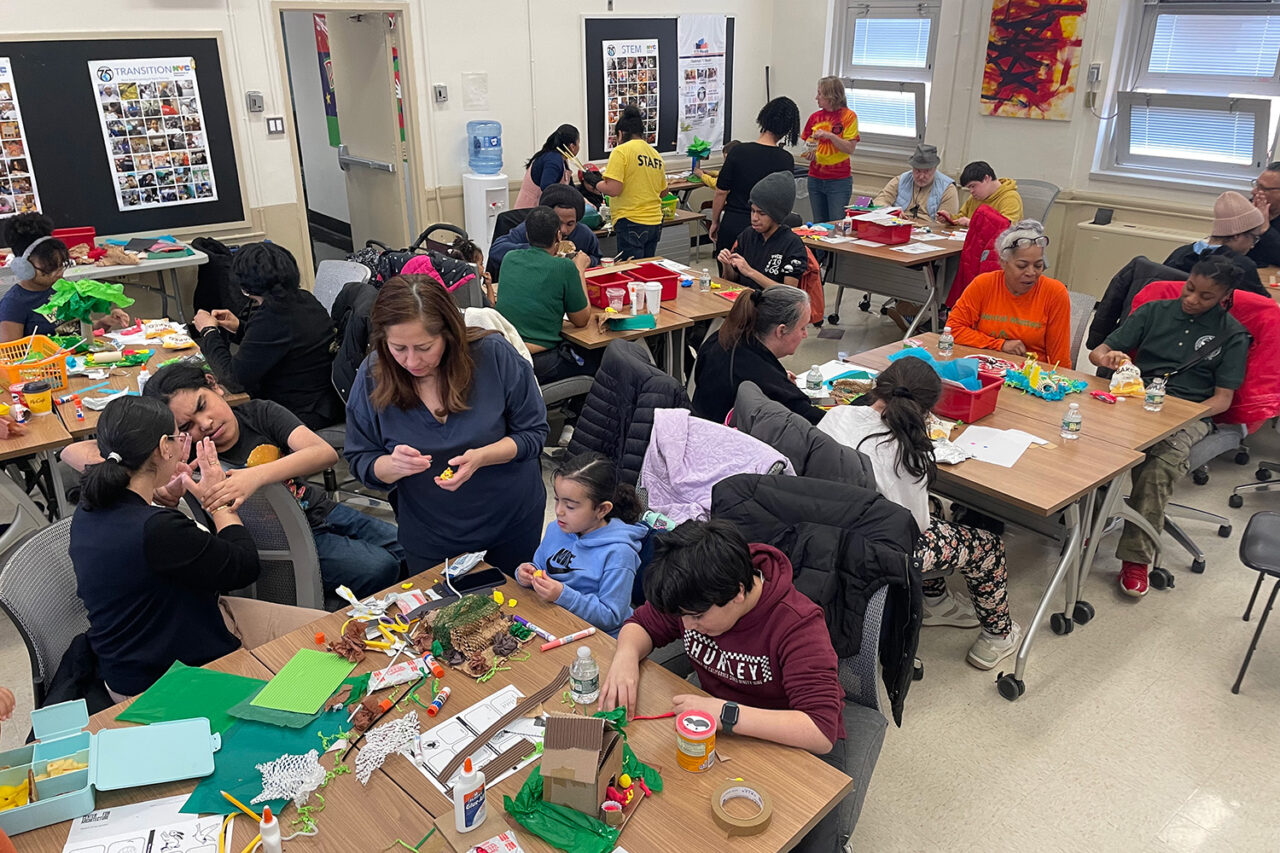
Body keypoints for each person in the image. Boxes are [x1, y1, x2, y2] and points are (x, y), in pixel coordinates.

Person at [599, 519, 847, 853]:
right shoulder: (697, 593)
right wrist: (625, 658)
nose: (687, 625)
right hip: (714, 725)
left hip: (785, 737)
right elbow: (642, 623)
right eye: (682, 616)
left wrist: (726, 714)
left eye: (696, 617)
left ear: (739, 592)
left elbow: (821, 731)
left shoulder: (798, 624)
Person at [63, 363, 406, 598]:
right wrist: (163, 481)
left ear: (215, 386)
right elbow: (73, 451)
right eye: (186, 427)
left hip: (319, 510)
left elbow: (324, 453)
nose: (205, 424)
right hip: (276, 541)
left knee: (406, 545)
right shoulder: (180, 455)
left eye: (202, 405)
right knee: (379, 567)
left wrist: (253, 477)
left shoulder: (259, 413)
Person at [69, 396, 321, 699]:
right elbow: (244, 566)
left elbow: (155, 562)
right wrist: (219, 502)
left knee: (328, 633)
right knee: (325, 659)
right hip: (168, 678)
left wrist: (167, 502)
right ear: (164, 446)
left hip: (140, 653)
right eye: (178, 437)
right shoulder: (156, 528)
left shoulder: (90, 508)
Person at [819, 358, 1020, 669]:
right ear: (927, 411)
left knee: (937, 509)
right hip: (878, 551)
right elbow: (917, 527)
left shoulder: (838, 415)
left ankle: (935, 601)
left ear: (878, 386)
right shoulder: (907, 451)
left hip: (829, 530)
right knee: (987, 547)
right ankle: (999, 636)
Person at [344, 276, 549, 574]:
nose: (412, 361)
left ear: (449, 334)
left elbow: (534, 433)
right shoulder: (373, 373)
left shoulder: (493, 355)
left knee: (516, 615)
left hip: (511, 521)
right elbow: (361, 458)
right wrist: (392, 465)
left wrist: (482, 457)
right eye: (398, 348)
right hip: (430, 535)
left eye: (424, 347)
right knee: (435, 617)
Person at [1089, 257, 1248, 597]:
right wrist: (1108, 358)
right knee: (1088, 439)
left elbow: (1222, 400)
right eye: (1190, 288)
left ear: (1224, 296)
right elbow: (1097, 352)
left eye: (1205, 296)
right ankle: (1088, 523)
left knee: (1160, 464)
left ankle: (1136, 558)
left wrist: (1179, 416)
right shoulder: (1155, 311)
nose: (1192, 299)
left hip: (1189, 412)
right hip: (1134, 398)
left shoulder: (1232, 334)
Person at [192, 242, 342, 430]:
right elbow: (278, 344)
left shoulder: (274, 317)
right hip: (323, 401)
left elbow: (234, 380)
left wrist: (208, 331)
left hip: (300, 411)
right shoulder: (303, 299)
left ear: (245, 287)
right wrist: (239, 328)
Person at [514, 452, 646, 635]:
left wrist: (563, 595)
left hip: (597, 636)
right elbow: (539, 567)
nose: (559, 511)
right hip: (553, 619)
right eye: (557, 500)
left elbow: (611, 616)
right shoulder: (556, 529)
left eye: (570, 506)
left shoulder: (619, 553)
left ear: (601, 509)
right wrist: (526, 573)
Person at [947, 219, 1073, 366]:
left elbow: (1060, 360)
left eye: (1038, 265)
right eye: (1022, 266)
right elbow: (953, 330)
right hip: (985, 367)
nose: (1031, 273)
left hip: (1030, 376)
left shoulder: (1054, 293)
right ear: (1003, 262)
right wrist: (1000, 345)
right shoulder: (983, 284)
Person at [495, 206, 597, 384]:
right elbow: (581, 320)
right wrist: (579, 269)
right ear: (558, 236)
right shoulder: (564, 268)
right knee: (600, 357)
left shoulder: (510, 258)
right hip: (540, 360)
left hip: (508, 353)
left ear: (527, 236)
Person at [692, 285, 821, 425]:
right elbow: (814, 421)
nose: (805, 335)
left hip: (701, 423)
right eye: (802, 328)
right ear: (781, 330)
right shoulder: (764, 381)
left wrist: (779, 377)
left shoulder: (722, 338)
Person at [0, 213, 130, 342]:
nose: (58, 273)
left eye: (61, 265)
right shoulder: (14, 304)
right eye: (49, 267)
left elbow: (75, 330)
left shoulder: (62, 288)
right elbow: (9, 354)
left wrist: (104, 322)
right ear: (24, 267)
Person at [709, 98, 800, 259]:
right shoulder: (785, 159)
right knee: (759, 278)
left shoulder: (738, 152)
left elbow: (721, 192)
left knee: (726, 277)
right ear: (788, 130)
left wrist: (715, 221)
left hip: (733, 222)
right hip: (768, 228)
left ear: (763, 119)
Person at [591, 106, 666, 260]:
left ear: (620, 133)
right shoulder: (655, 154)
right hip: (655, 221)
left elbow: (613, 189)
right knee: (646, 270)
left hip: (631, 220)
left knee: (631, 273)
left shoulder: (621, 151)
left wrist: (595, 182)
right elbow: (663, 191)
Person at [717, 172, 807, 291]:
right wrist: (727, 265)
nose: (754, 218)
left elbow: (788, 294)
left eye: (761, 213)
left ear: (776, 215)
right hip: (745, 303)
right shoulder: (748, 235)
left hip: (771, 307)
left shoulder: (792, 244)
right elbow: (733, 279)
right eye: (752, 211)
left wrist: (750, 272)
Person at [1164, 191, 1267, 296]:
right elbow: (1265, 305)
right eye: (1254, 238)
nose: (1252, 245)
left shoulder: (1180, 253)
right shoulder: (1241, 266)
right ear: (1237, 235)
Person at [489, 184, 602, 275]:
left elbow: (596, 257)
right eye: (558, 222)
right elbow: (496, 250)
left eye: (570, 224)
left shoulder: (584, 234)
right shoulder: (532, 228)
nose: (563, 230)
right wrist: (535, 250)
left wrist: (587, 262)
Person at [801, 77, 859, 224]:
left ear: (831, 96)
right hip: (815, 177)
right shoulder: (815, 117)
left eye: (820, 94)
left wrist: (830, 136)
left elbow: (850, 148)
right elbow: (806, 142)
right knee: (819, 225)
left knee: (836, 224)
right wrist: (809, 153)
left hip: (838, 180)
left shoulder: (848, 116)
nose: (816, 98)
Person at [872, 143, 958, 221]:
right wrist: (891, 210)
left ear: (935, 168)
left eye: (926, 171)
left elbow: (946, 224)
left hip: (929, 231)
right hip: (899, 226)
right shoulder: (901, 180)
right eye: (917, 171)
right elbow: (879, 202)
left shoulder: (947, 188)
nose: (921, 176)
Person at [514, 124, 580, 209]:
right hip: (530, 213)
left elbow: (571, 188)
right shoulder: (553, 160)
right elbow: (547, 189)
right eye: (578, 143)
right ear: (572, 146)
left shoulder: (562, 160)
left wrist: (583, 201)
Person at [939, 161, 1023, 227]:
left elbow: (1006, 227)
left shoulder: (1010, 198)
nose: (971, 191)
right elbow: (962, 217)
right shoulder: (975, 197)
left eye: (973, 186)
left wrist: (971, 223)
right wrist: (950, 218)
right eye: (969, 188)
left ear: (986, 178)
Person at [1249, 161, 1280, 268]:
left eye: (1263, 188)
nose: (1253, 191)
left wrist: (1266, 230)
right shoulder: (1247, 207)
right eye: (1256, 185)